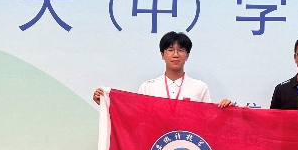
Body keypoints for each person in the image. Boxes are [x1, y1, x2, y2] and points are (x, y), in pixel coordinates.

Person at [93, 31, 232, 107]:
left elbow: (208, 122)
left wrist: (225, 109)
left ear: (187, 55)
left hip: (188, 144)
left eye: (181, 50)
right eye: (170, 50)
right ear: (162, 55)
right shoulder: (148, 88)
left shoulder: (199, 88)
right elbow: (134, 116)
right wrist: (105, 102)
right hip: (155, 146)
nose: (175, 55)